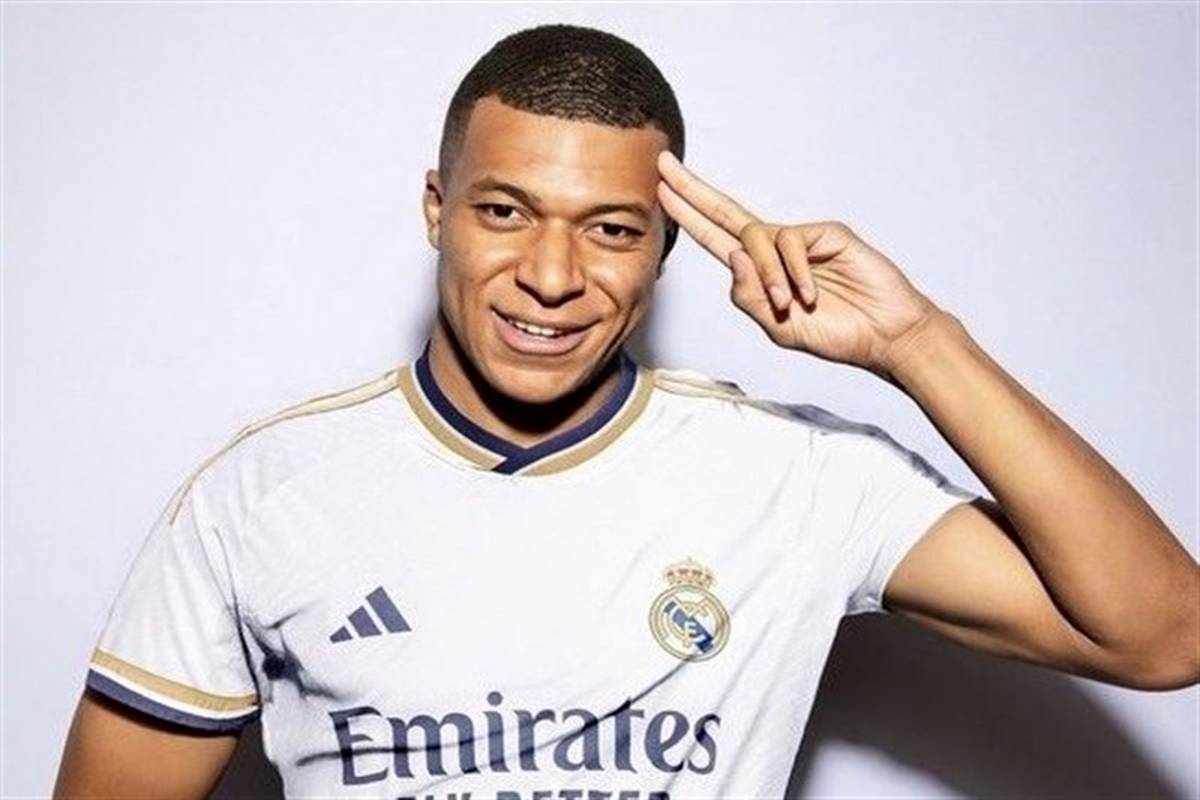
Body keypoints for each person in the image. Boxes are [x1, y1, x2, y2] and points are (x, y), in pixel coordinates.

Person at [54, 22, 1198, 800]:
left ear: (664, 249)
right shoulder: (258, 494)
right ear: (437, 210)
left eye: (610, 228)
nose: (553, 275)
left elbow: (1165, 635)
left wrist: (917, 343)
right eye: (505, 211)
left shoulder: (797, 476)